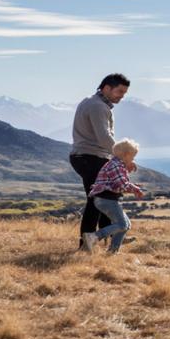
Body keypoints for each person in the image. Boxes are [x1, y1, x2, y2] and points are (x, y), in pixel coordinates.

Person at [70, 73, 132, 250]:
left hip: (86, 156)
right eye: (119, 91)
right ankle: (85, 244)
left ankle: (112, 235)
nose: (122, 96)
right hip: (91, 157)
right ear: (106, 88)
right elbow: (104, 138)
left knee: (104, 197)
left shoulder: (91, 102)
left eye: (124, 92)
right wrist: (124, 157)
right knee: (97, 200)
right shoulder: (98, 107)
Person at [83, 138, 144, 254]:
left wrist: (133, 186)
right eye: (133, 157)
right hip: (106, 199)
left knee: (126, 225)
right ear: (126, 155)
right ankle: (94, 237)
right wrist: (135, 189)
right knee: (122, 224)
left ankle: (112, 251)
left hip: (106, 199)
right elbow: (121, 185)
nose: (133, 160)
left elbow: (119, 184)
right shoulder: (116, 166)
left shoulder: (117, 164)